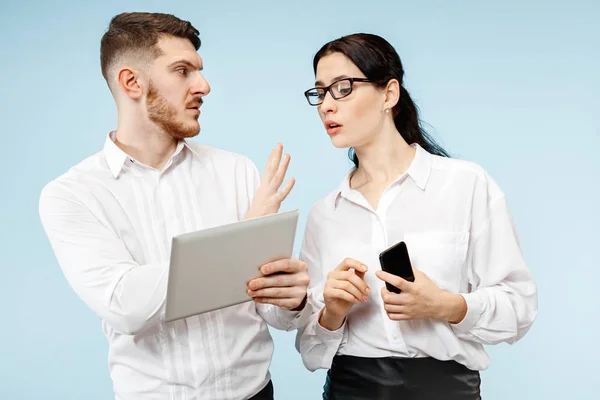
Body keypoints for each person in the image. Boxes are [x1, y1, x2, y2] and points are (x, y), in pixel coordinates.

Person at [39, 12, 310, 400]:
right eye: (183, 71)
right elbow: (126, 307)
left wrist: (292, 297)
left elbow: (272, 312)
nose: (204, 85)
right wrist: (241, 244)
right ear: (131, 82)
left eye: (199, 70)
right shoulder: (72, 194)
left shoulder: (236, 170)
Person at [295, 33, 538, 400]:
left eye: (342, 88)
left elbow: (518, 308)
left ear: (388, 94)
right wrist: (332, 312)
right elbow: (311, 351)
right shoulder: (324, 214)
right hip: (350, 389)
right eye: (320, 92)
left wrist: (446, 305)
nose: (327, 105)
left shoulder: (466, 185)